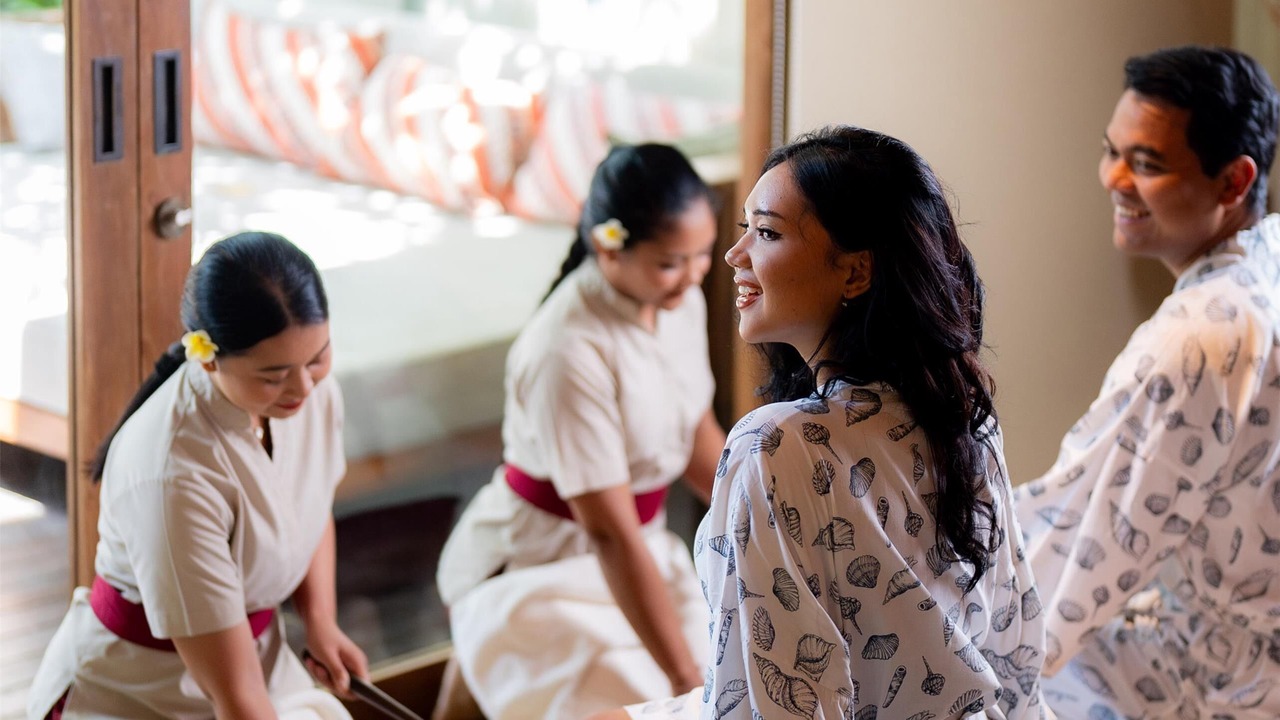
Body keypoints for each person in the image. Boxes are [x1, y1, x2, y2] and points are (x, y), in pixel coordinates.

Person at [607, 124, 1050, 720]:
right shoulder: (963, 415)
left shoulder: (777, 448)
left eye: (765, 233)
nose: (736, 257)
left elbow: (784, 707)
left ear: (856, 272)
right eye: (744, 230)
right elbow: (1017, 652)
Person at [1013, 45, 1280, 719]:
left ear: (1233, 181)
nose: (1115, 179)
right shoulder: (1269, 260)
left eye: (1148, 164)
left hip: (1235, 688)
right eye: (1112, 151)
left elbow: (1078, 546)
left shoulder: (1199, 339)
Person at [433, 143, 727, 719]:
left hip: (641, 553)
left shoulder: (680, 301)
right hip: (541, 572)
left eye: (704, 254)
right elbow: (608, 533)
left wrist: (778, 534)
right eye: (671, 261)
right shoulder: (566, 348)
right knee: (657, 694)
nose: (693, 275)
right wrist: (683, 679)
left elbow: (699, 440)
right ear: (607, 247)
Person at [28, 232, 367, 719]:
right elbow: (238, 700)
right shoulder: (172, 471)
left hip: (254, 665)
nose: (303, 387)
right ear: (207, 357)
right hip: (139, 692)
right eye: (273, 375)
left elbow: (306, 507)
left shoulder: (309, 393)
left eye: (317, 358)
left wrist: (321, 621)